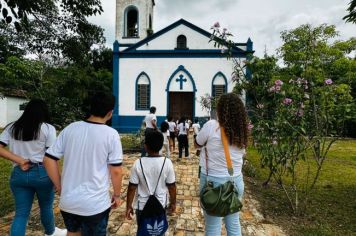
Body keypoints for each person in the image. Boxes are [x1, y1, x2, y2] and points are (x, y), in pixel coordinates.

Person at [43, 92, 124, 236]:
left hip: (68, 202)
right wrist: (117, 195)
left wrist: (59, 185)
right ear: (110, 113)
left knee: (72, 233)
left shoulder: (70, 128)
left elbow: (48, 159)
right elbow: (116, 171)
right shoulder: (111, 134)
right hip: (95, 205)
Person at [0, 99, 67, 236]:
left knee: (21, 214)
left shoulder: (11, 127)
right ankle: (51, 232)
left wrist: (19, 160)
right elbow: (51, 158)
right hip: (43, 173)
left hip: (19, 174)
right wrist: (57, 180)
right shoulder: (48, 128)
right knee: (46, 207)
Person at [195, 93, 248, 236]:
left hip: (214, 183)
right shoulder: (241, 131)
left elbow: (197, 143)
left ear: (220, 109)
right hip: (235, 181)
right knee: (234, 224)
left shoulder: (211, 126)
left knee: (213, 227)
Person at [126, 130, 176, 232]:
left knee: (144, 231)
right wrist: (173, 203)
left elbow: (132, 188)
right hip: (161, 204)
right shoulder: (167, 163)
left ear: (146, 146)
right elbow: (172, 187)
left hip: (142, 206)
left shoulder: (138, 163)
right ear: (162, 146)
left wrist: (128, 206)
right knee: (158, 230)